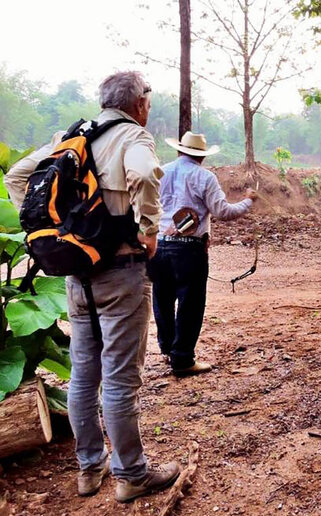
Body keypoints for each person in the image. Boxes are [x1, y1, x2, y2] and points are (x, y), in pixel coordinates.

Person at [5, 71, 180, 502]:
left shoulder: (74, 136)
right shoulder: (132, 136)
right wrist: (150, 229)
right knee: (120, 379)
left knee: (84, 376)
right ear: (138, 104)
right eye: (148, 104)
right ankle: (132, 476)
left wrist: (53, 230)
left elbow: (18, 175)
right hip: (122, 271)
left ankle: (90, 469)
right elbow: (143, 174)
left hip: (78, 276)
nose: (148, 110)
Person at [148, 131, 257, 377]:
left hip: (159, 244)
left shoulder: (161, 172)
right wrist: (248, 201)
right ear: (202, 157)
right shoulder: (204, 177)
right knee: (190, 303)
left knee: (162, 299)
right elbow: (223, 211)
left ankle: (167, 349)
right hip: (189, 248)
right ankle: (183, 359)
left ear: (179, 150)